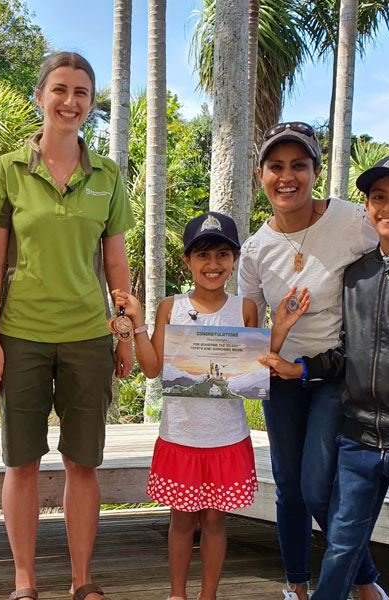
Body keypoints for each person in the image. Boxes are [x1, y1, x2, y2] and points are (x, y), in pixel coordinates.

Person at [237, 122, 389, 600]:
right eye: (276, 166)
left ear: (315, 171)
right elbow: (248, 330)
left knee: (317, 487)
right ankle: (297, 584)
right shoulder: (255, 249)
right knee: (290, 486)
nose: (287, 177)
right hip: (289, 377)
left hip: (341, 381)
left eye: (299, 166)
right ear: (261, 173)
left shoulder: (355, 219)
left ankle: (364, 581)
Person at [0, 51, 135, 600]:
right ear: (40, 95)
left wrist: (124, 331)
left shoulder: (107, 176)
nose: (70, 102)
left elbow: (116, 265)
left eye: (82, 94)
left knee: (82, 462)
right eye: (60, 90)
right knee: (22, 462)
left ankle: (81, 579)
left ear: (92, 105)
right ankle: (24, 581)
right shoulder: (8, 171)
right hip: (21, 335)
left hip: (89, 336)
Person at [111, 212, 260, 600]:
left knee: (214, 521)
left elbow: (250, 372)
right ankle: (177, 594)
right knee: (181, 520)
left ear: (234, 260)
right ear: (187, 262)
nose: (213, 265)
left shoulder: (244, 309)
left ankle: (207, 595)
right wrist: (139, 325)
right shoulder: (170, 307)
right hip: (181, 434)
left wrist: (283, 330)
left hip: (227, 436)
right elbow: (151, 368)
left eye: (223, 255)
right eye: (203, 256)